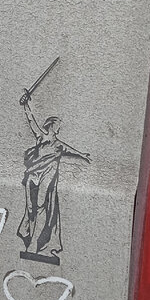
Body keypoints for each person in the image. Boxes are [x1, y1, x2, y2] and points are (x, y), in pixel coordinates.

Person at [16, 89, 90, 262]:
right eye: (57, 126)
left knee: (41, 206)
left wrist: (83, 155)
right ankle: (31, 239)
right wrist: (26, 104)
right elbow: (31, 121)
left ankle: (35, 245)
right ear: (51, 126)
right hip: (33, 175)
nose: (59, 128)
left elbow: (72, 151)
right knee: (31, 209)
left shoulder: (58, 145)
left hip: (47, 178)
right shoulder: (41, 137)